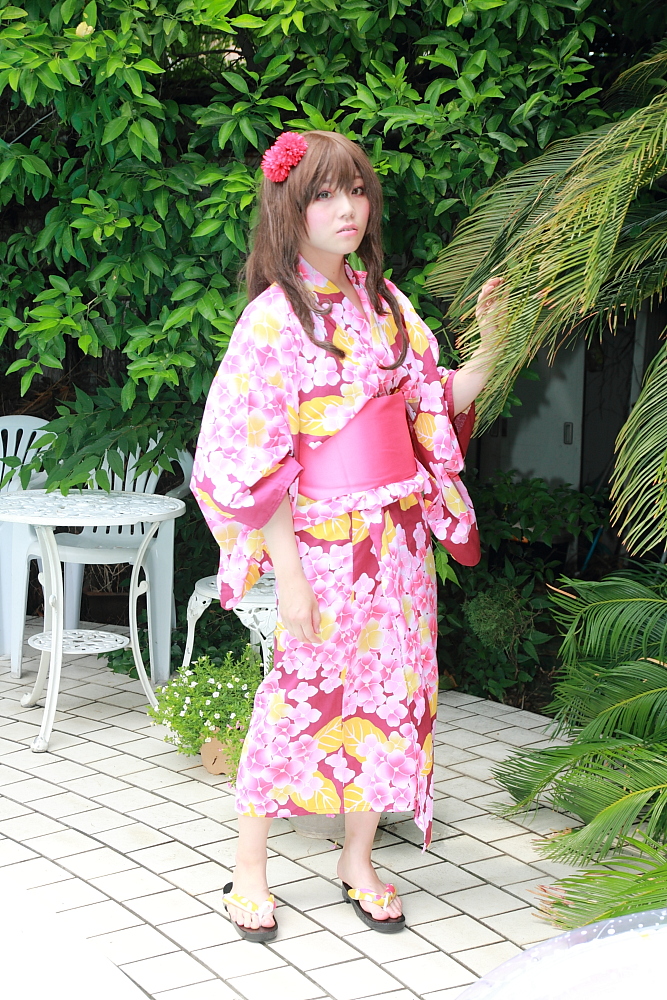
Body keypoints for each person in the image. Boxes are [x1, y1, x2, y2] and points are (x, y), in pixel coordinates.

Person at [191, 130, 504, 942]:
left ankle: (357, 860)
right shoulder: (271, 320)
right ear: (289, 211)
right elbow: (251, 456)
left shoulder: (385, 303)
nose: (346, 209)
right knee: (297, 696)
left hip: (397, 545)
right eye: (325, 194)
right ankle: (250, 869)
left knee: (392, 697)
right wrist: (288, 576)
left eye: (356, 190)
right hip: (324, 546)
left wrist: (496, 341)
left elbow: (435, 401)